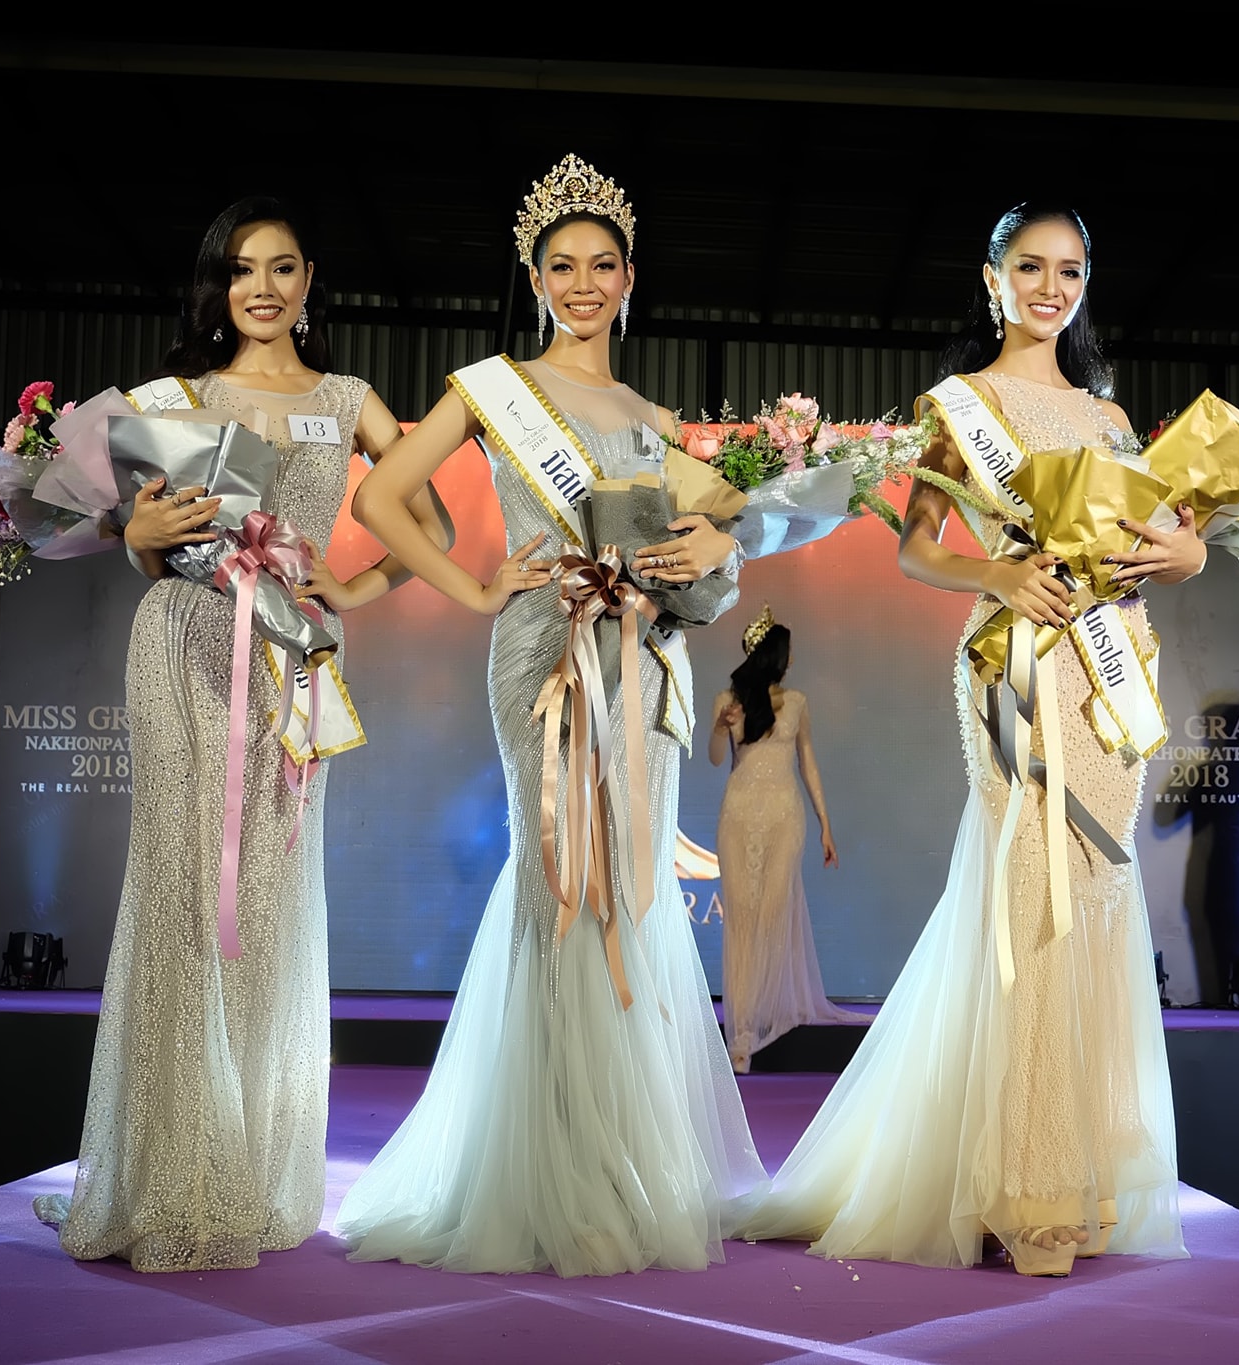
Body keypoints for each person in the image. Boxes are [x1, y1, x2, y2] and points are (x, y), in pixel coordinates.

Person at [736, 202, 1195, 1277]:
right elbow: (917, 549)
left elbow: (1167, 544)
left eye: (1069, 270)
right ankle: (1024, 1188)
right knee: (1026, 898)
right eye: (1029, 267)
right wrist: (999, 571)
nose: (1050, 288)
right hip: (1013, 666)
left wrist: (1186, 555)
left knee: (1091, 903)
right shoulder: (961, 406)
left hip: (1110, 673)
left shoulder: (1109, 416)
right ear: (992, 280)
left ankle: (1080, 1172)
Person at [333, 154, 766, 1277]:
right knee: (561, 876)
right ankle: (552, 1171)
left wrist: (715, 544)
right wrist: (478, 586)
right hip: (541, 654)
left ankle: (614, 1162)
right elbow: (381, 494)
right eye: (561, 266)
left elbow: (707, 545)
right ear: (533, 279)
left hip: (640, 660)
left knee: (629, 891)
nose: (582, 283)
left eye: (601, 265)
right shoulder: (493, 388)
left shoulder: (655, 418)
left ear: (631, 279)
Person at [33, 197, 449, 1272]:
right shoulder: (172, 398)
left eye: (282, 267)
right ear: (217, 286)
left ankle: (247, 1166)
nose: (261, 287)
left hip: (289, 656)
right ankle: (168, 1174)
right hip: (182, 644)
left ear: (310, 283)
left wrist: (352, 586)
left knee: (265, 895)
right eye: (240, 268)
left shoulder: (349, 402)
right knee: (183, 892)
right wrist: (133, 529)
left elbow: (433, 521)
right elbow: (93, 523)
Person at [707, 608, 864, 1073]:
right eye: (787, 651)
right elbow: (715, 758)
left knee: (772, 914)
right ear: (773, 654)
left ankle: (763, 1016)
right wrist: (720, 727)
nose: (791, 659)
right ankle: (742, 1033)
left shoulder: (796, 702)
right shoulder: (728, 700)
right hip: (738, 816)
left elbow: (807, 762)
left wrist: (825, 824)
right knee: (741, 918)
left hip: (784, 817)